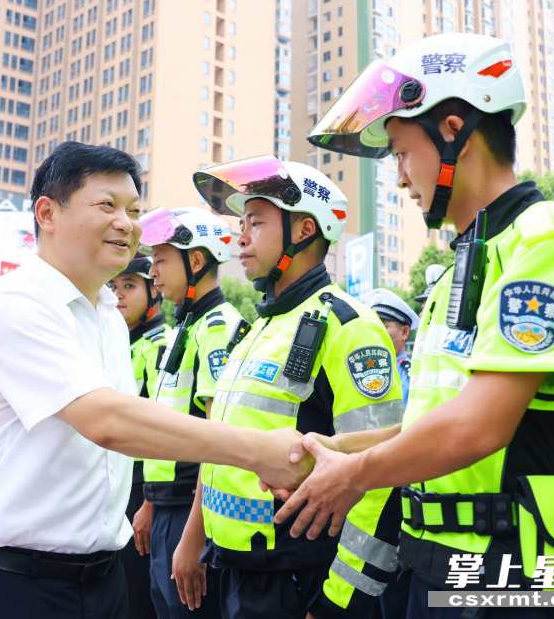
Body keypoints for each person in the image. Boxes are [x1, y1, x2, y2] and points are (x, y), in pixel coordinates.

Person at [272, 32, 554, 617]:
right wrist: (334, 450)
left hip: (522, 568)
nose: (399, 177)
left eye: (400, 152)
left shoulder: (549, 240)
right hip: (438, 559)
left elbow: (478, 428)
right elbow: (433, 423)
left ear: (454, 131)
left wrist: (355, 474)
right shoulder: (462, 265)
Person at [0, 142, 312, 619]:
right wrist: (259, 451)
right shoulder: (17, 303)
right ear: (47, 213)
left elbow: (132, 430)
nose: (127, 223)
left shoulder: (108, 318)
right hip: (15, 585)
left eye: (134, 210)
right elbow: (107, 422)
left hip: (102, 579)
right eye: (107, 206)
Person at [172, 157, 406, 619]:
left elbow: (383, 480)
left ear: (302, 230)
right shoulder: (258, 330)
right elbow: (222, 448)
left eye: (255, 222)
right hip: (236, 570)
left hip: (300, 579)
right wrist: (193, 537)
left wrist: (336, 603)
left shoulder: (349, 326)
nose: (240, 237)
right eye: (241, 223)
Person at [137, 206, 241, 619]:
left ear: (196, 261)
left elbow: (217, 443)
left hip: (190, 512)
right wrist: (149, 504)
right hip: (165, 508)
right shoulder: (188, 324)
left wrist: (194, 537)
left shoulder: (218, 327)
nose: (153, 272)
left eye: (161, 260)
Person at [108, 256, 166, 619]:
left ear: (153, 291)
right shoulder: (117, 343)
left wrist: (149, 503)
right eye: (113, 286)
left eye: (129, 285)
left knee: (138, 595)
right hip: (116, 485)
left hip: (143, 491)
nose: (118, 295)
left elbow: (161, 434)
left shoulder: (161, 346)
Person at [364, 289, 420, 408]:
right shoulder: (363, 372)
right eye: (373, 326)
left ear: (405, 332)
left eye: (383, 326)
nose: (375, 332)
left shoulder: (412, 376)